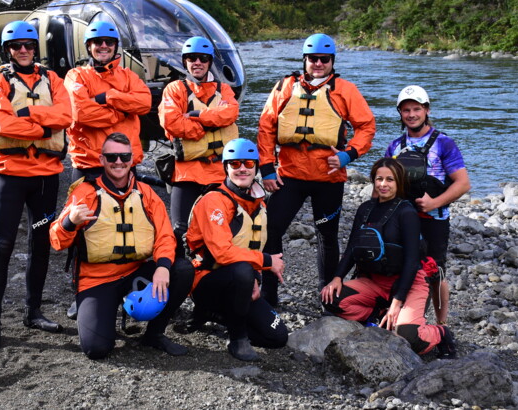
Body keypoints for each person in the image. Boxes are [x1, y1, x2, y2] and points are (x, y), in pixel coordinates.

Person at [49, 133, 194, 359]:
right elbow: (57, 241)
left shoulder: (147, 194)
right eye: (112, 156)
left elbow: (165, 237)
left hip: (135, 273)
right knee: (96, 349)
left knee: (182, 269)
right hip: (96, 280)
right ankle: (100, 313)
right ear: (102, 159)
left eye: (124, 156)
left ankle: (154, 334)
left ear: (133, 158)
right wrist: (69, 222)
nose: (118, 161)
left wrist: (163, 267)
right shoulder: (85, 193)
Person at [257, 33, 375, 307]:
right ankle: (269, 294)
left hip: (328, 178)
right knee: (270, 229)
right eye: (313, 59)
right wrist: (267, 169)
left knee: (327, 236)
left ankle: (327, 296)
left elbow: (367, 126)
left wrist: (349, 154)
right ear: (305, 60)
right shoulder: (285, 87)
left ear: (332, 61)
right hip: (290, 175)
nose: (318, 64)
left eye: (324, 59)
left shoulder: (345, 90)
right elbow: (266, 126)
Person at [0, 20, 72, 350]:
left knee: (41, 240)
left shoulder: (54, 80)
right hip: (10, 176)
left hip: (45, 178)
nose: (23, 51)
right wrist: (42, 128)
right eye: (16, 46)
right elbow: (2, 123)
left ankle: (33, 311)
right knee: (2, 244)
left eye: (28, 46)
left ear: (35, 49)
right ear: (7, 50)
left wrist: (26, 114)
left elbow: (65, 115)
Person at [321, 158, 455, 358]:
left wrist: (397, 302)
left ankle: (441, 333)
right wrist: (337, 277)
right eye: (379, 179)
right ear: (373, 181)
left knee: (409, 338)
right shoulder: (365, 209)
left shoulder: (407, 212)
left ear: (399, 182)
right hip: (375, 282)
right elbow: (352, 247)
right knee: (331, 299)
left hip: (410, 284)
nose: (383, 184)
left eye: (389, 180)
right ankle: (381, 316)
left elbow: (411, 261)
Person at [185, 138, 288, 361]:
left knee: (277, 337)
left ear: (256, 167)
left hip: (242, 281)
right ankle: (237, 337)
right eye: (235, 164)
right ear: (226, 167)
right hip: (207, 280)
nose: (242, 169)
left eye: (248, 164)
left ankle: (218, 316)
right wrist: (267, 261)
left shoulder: (258, 201)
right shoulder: (214, 201)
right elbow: (222, 253)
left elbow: (254, 244)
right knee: (242, 270)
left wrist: (258, 279)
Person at [385, 85, 470, 325]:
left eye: (416, 109)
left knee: (436, 273)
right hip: (403, 219)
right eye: (406, 110)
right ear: (400, 113)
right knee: (401, 266)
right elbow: (384, 182)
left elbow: (462, 184)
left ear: (426, 110)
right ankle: (405, 317)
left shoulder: (444, 144)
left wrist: (434, 203)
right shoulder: (394, 147)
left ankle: (442, 326)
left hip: (434, 220)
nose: (411, 114)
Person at [159, 36, 239, 257]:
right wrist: (204, 129)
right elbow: (171, 122)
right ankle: (180, 280)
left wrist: (196, 116)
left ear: (209, 61)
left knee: (220, 229)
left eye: (202, 58)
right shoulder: (175, 89)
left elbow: (231, 113)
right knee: (179, 231)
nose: (197, 62)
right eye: (192, 58)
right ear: (185, 62)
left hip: (218, 174)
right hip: (187, 173)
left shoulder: (225, 90)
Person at [64, 19, 152, 183]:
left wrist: (109, 97)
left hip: (124, 163)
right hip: (89, 164)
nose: (104, 45)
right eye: (98, 41)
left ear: (115, 46)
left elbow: (145, 103)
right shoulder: (76, 76)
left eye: (109, 42)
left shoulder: (128, 76)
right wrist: (121, 113)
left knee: (128, 209)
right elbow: (82, 113)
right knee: (84, 209)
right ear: (89, 46)